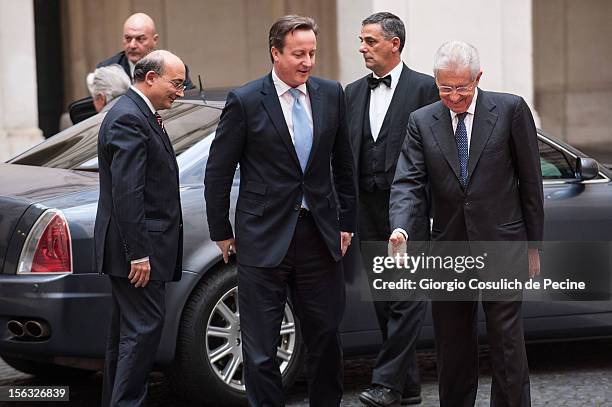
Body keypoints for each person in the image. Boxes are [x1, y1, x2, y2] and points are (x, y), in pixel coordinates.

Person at [204, 15, 357, 407]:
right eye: (298, 54)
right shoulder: (245, 100)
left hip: (319, 238)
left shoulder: (330, 93)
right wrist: (221, 231)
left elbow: (343, 165)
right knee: (260, 347)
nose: (307, 62)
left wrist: (346, 223)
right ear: (275, 53)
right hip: (262, 237)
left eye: (312, 54)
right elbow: (219, 171)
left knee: (325, 338)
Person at [389, 41, 544, 406]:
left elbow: (531, 183)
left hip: (502, 243)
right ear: (435, 80)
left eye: (462, 87)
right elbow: (408, 182)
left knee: (507, 345)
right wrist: (401, 227)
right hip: (448, 249)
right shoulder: (422, 121)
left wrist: (534, 246)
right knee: (453, 345)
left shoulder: (509, 110)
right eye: (446, 87)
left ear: (478, 77)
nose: (454, 96)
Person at [344, 12, 438, 407]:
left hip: (412, 211)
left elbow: (440, 154)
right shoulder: (350, 93)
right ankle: (408, 387)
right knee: (385, 297)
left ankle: (385, 383)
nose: (361, 47)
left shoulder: (426, 89)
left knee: (406, 298)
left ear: (394, 43)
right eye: (361, 41)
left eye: (369, 40)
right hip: (365, 209)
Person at [94, 50, 187, 407]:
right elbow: (127, 191)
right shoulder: (129, 118)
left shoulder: (137, 113)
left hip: (132, 249)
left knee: (125, 336)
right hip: (136, 252)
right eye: (175, 83)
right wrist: (140, 254)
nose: (179, 92)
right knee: (142, 331)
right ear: (150, 78)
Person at [97, 12, 194, 89]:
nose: (132, 45)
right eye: (128, 38)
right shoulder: (106, 69)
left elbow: (189, 99)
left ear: (154, 40)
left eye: (140, 39)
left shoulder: (172, 68)